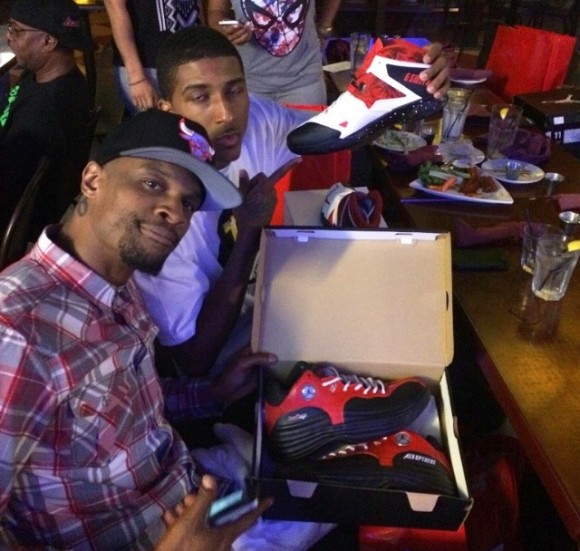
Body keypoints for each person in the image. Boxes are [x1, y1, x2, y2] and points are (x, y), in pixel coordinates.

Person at [0, 108, 282, 551]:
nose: (174, 212)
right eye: (152, 183)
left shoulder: (117, 280)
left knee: (334, 477)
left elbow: (122, 410)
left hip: (196, 501)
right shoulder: (17, 331)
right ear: (92, 180)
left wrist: (211, 393)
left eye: (188, 202)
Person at [133, 25, 450, 380]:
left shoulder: (257, 121)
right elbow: (193, 360)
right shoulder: (155, 213)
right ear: (167, 109)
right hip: (207, 368)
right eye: (200, 97)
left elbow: (339, 132)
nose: (226, 113)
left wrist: (406, 86)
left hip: (253, 303)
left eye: (235, 90)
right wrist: (251, 231)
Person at [0, 0, 90, 237]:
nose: (9, 37)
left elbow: (8, 190)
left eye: (16, 30)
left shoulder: (41, 117)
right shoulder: (62, 79)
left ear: (48, 41)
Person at [206, 0, 343, 105]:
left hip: (304, 80)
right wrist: (226, 28)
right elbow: (216, 11)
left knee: (305, 135)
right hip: (250, 84)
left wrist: (324, 27)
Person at [104, 0, 204, 115]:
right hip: (148, 65)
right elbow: (115, 8)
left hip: (191, 60)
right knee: (161, 124)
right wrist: (137, 77)